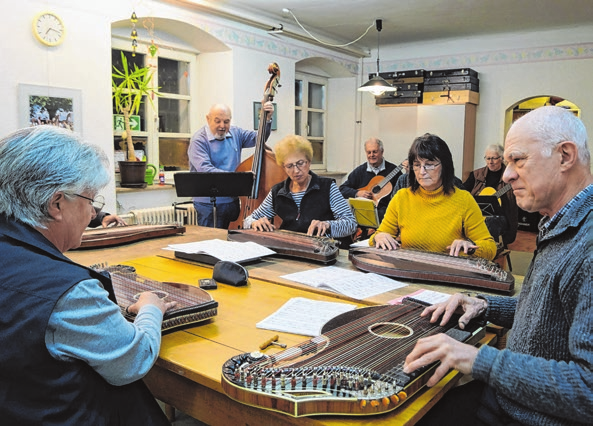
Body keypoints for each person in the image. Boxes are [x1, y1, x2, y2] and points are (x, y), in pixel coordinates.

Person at [404, 106, 593, 426]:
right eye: (506, 162)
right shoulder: (558, 223)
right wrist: (485, 305)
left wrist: (476, 358)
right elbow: (551, 312)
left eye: (518, 160)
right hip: (504, 399)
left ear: (565, 156)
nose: (506, 175)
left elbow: (587, 390)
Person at [0, 126, 175, 425]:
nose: (92, 212)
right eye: (90, 200)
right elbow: (133, 360)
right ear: (56, 204)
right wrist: (150, 309)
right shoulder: (69, 293)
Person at [371, 133, 496, 260]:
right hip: (409, 272)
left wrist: (470, 247)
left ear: (445, 166)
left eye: (429, 164)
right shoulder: (401, 198)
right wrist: (378, 237)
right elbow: (376, 237)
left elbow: (490, 248)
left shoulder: (463, 200)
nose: (422, 172)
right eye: (417, 165)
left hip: (448, 274)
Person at [244, 134, 357, 241]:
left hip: (324, 250)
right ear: (283, 167)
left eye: (300, 163)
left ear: (309, 162)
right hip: (292, 250)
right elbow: (248, 220)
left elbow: (350, 224)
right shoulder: (278, 191)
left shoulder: (327, 187)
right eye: (289, 166)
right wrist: (254, 223)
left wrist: (327, 225)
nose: (296, 170)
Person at [188, 102, 274, 228]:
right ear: (208, 119)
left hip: (232, 201)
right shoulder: (199, 140)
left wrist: (267, 119)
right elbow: (206, 170)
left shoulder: (236, 133)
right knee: (211, 243)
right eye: (217, 121)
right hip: (208, 205)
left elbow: (259, 138)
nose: (222, 126)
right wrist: (238, 178)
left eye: (226, 121)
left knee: (232, 240)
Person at [339, 137, 405, 222]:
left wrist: (408, 172)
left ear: (382, 152)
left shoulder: (393, 170)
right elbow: (342, 189)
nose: (371, 155)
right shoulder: (360, 171)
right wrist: (358, 193)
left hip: (386, 215)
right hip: (363, 212)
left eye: (375, 152)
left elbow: (404, 190)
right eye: (368, 152)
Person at [464, 144, 519, 245]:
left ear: (501, 158)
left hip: (501, 217)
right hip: (478, 215)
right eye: (488, 158)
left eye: (494, 158)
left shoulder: (510, 176)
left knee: (492, 221)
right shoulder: (477, 175)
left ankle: (490, 251)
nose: (490, 162)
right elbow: (463, 192)